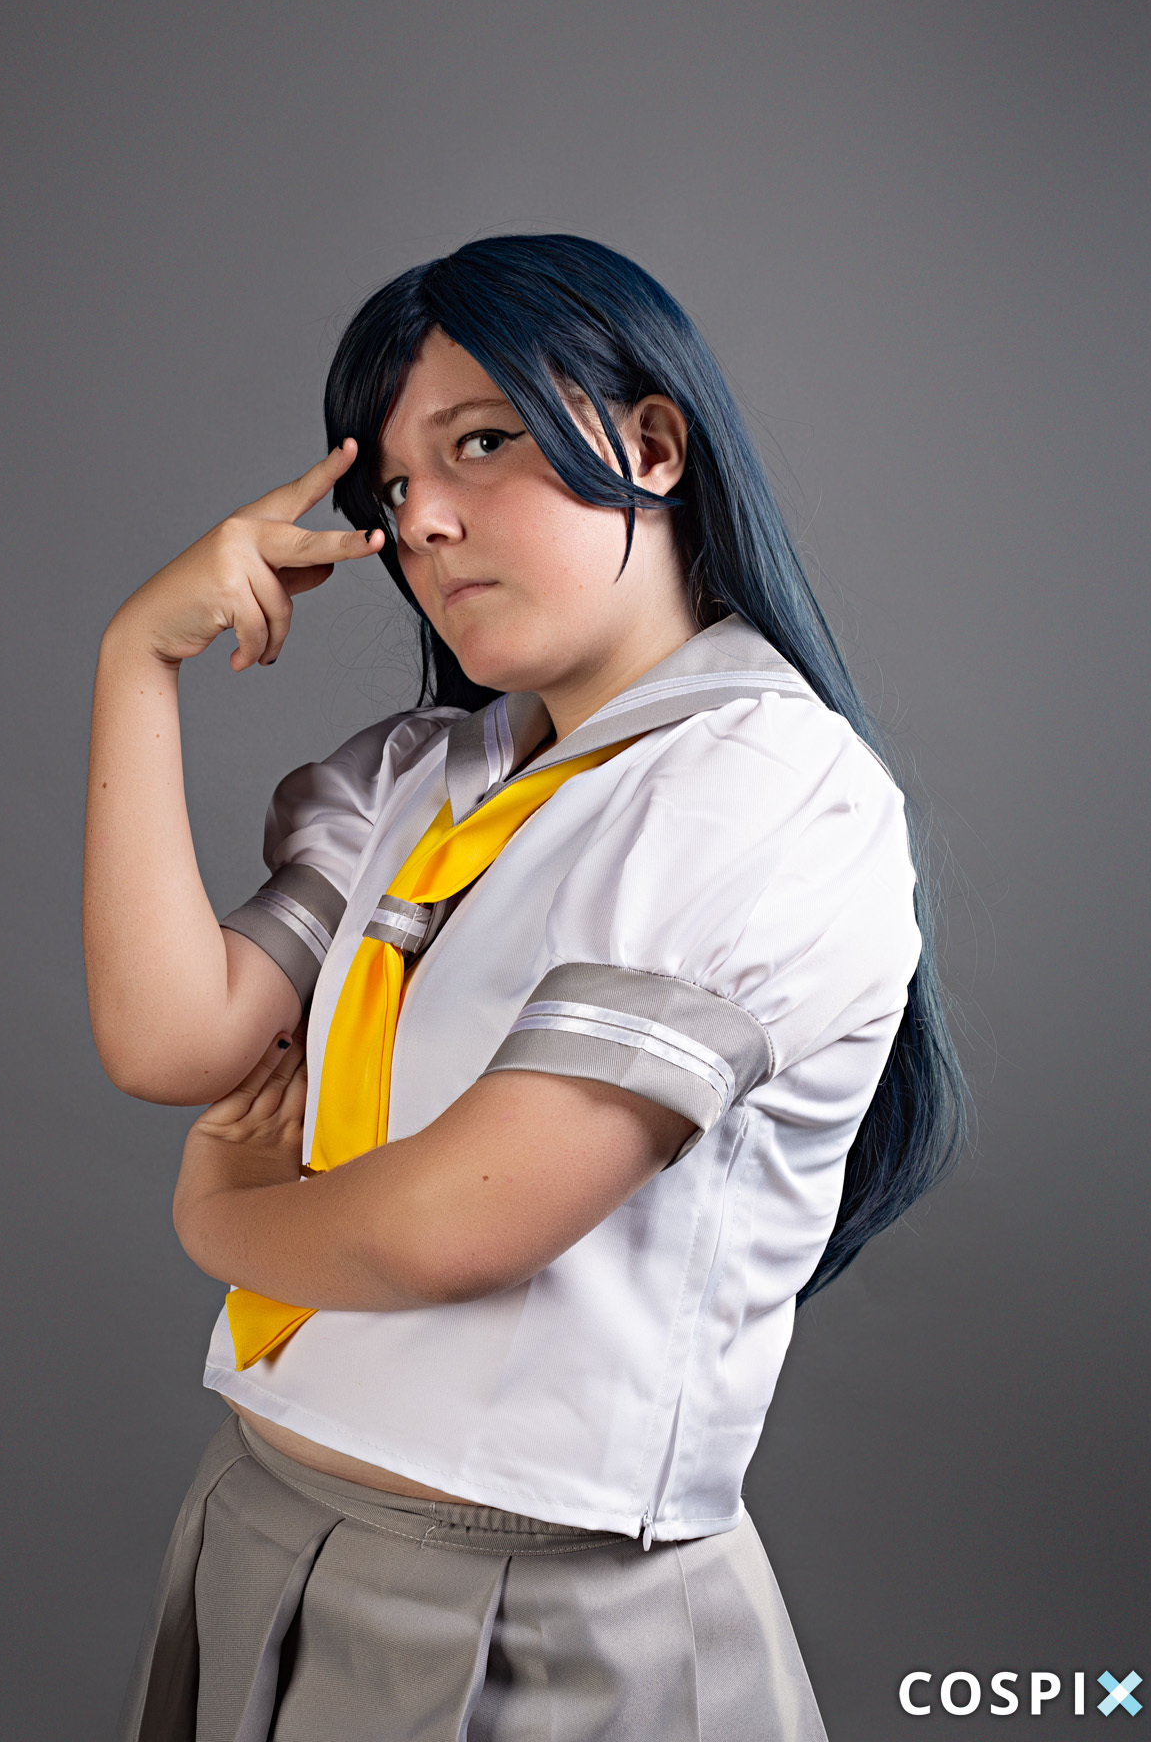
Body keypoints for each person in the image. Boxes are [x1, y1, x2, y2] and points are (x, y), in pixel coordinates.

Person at [85, 234, 965, 1742]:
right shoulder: (417, 778)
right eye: (390, 489)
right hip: (256, 1523)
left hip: (536, 1620)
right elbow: (173, 1038)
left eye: (481, 444)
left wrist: (217, 1217)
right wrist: (133, 664)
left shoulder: (769, 788)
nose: (422, 520)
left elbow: (450, 1229)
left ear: (652, 447)